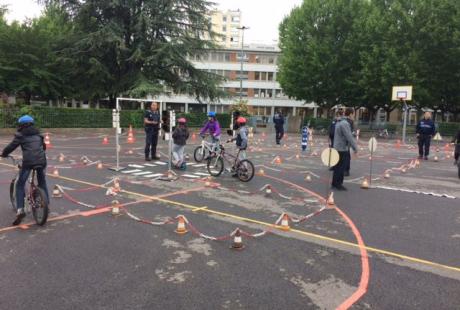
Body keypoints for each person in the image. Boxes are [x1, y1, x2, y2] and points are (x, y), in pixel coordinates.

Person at [1, 115, 49, 226]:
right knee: (42, 182)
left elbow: (11, 147)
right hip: (41, 161)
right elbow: (44, 147)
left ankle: (20, 210)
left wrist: (4, 154)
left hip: (28, 163)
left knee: (20, 184)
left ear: (21, 125)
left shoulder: (20, 135)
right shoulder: (39, 134)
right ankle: (46, 204)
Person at [332, 108, 358, 191]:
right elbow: (349, 136)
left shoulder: (339, 122)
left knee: (337, 166)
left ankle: (334, 183)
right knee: (341, 167)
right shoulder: (345, 124)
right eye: (353, 114)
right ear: (350, 114)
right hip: (342, 148)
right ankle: (338, 184)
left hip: (337, 147)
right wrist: (355, 148)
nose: (354, 116)